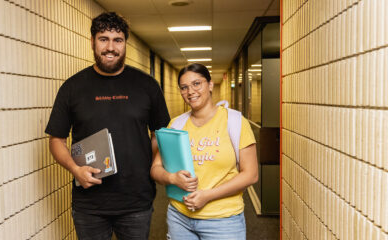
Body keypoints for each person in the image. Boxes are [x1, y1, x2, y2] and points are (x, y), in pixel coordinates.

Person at [45, 12, 170, 240]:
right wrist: (75, 170)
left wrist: (143, 160)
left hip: (136, 202)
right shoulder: (72, 88)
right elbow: (56, 140)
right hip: (89, 204)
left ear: (125, 44)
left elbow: (160, 133)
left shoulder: (147, 85)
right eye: (103, 39)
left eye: (117, 40)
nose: (110, 47)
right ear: (92, 42)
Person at [150, 63, 258, 240]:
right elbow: (156, 169)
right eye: (184, 87)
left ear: (210, 85)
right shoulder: (175, 125)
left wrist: (208, 196)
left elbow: (251, 175)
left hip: (223, 220)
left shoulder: (235, 121)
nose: (190, 91)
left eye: (196, 84)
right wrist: (172, 178)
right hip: (180, 218)